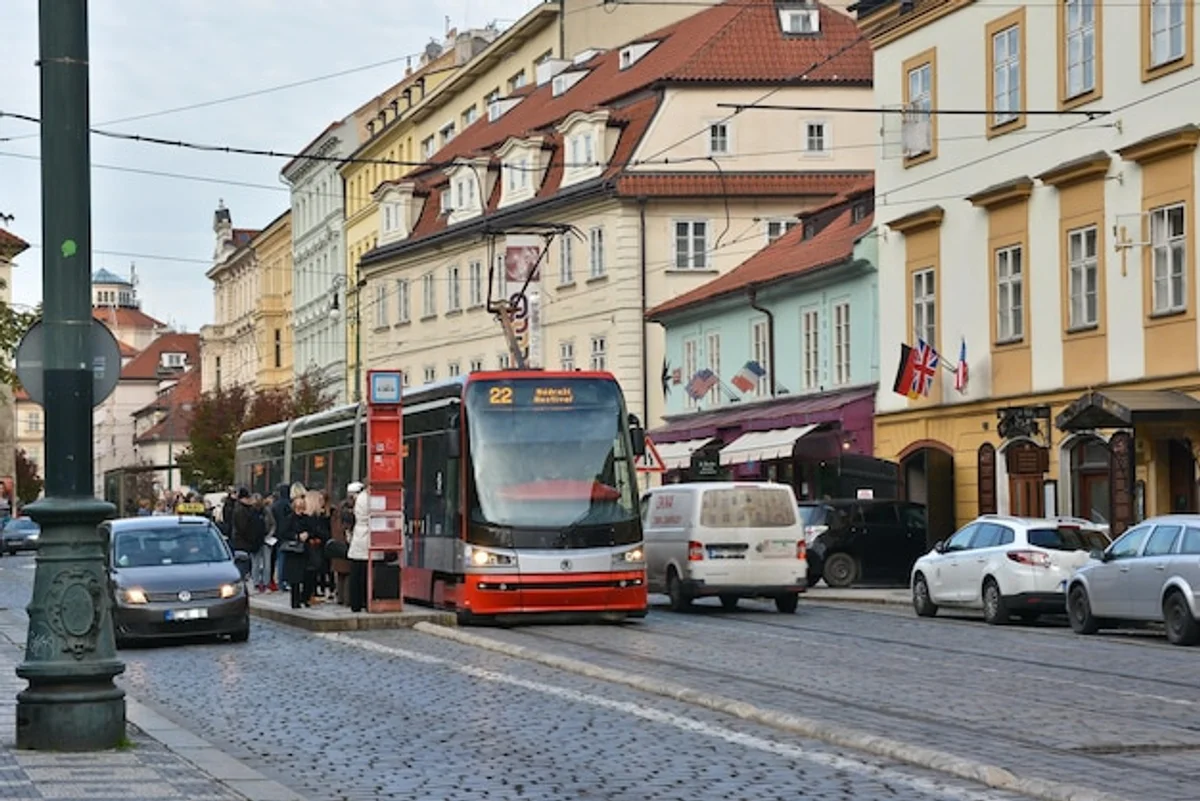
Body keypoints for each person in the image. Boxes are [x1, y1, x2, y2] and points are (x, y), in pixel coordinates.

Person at [296, 490, 330, 605]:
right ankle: (308, 595)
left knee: (310, 573)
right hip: (311, 548)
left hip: (309, 548)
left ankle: (308, 595)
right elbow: (319, 532)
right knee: (310, 573)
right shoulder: (312, 518)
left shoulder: (310, 516)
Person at [346, 481, 370, 613]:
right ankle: (364, 601)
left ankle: (355, 603)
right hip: (366, 538)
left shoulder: (360, 498)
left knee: (356, 572)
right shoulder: (367, 498)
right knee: (363, 574)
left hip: (358, 538)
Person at [269, 484, 296, 595]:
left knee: (278, 560)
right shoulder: (288, 505)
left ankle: (279, 581)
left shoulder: (275, 505)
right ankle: (284, 581)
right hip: (286, 534)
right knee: (284, 560)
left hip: (276, 535)